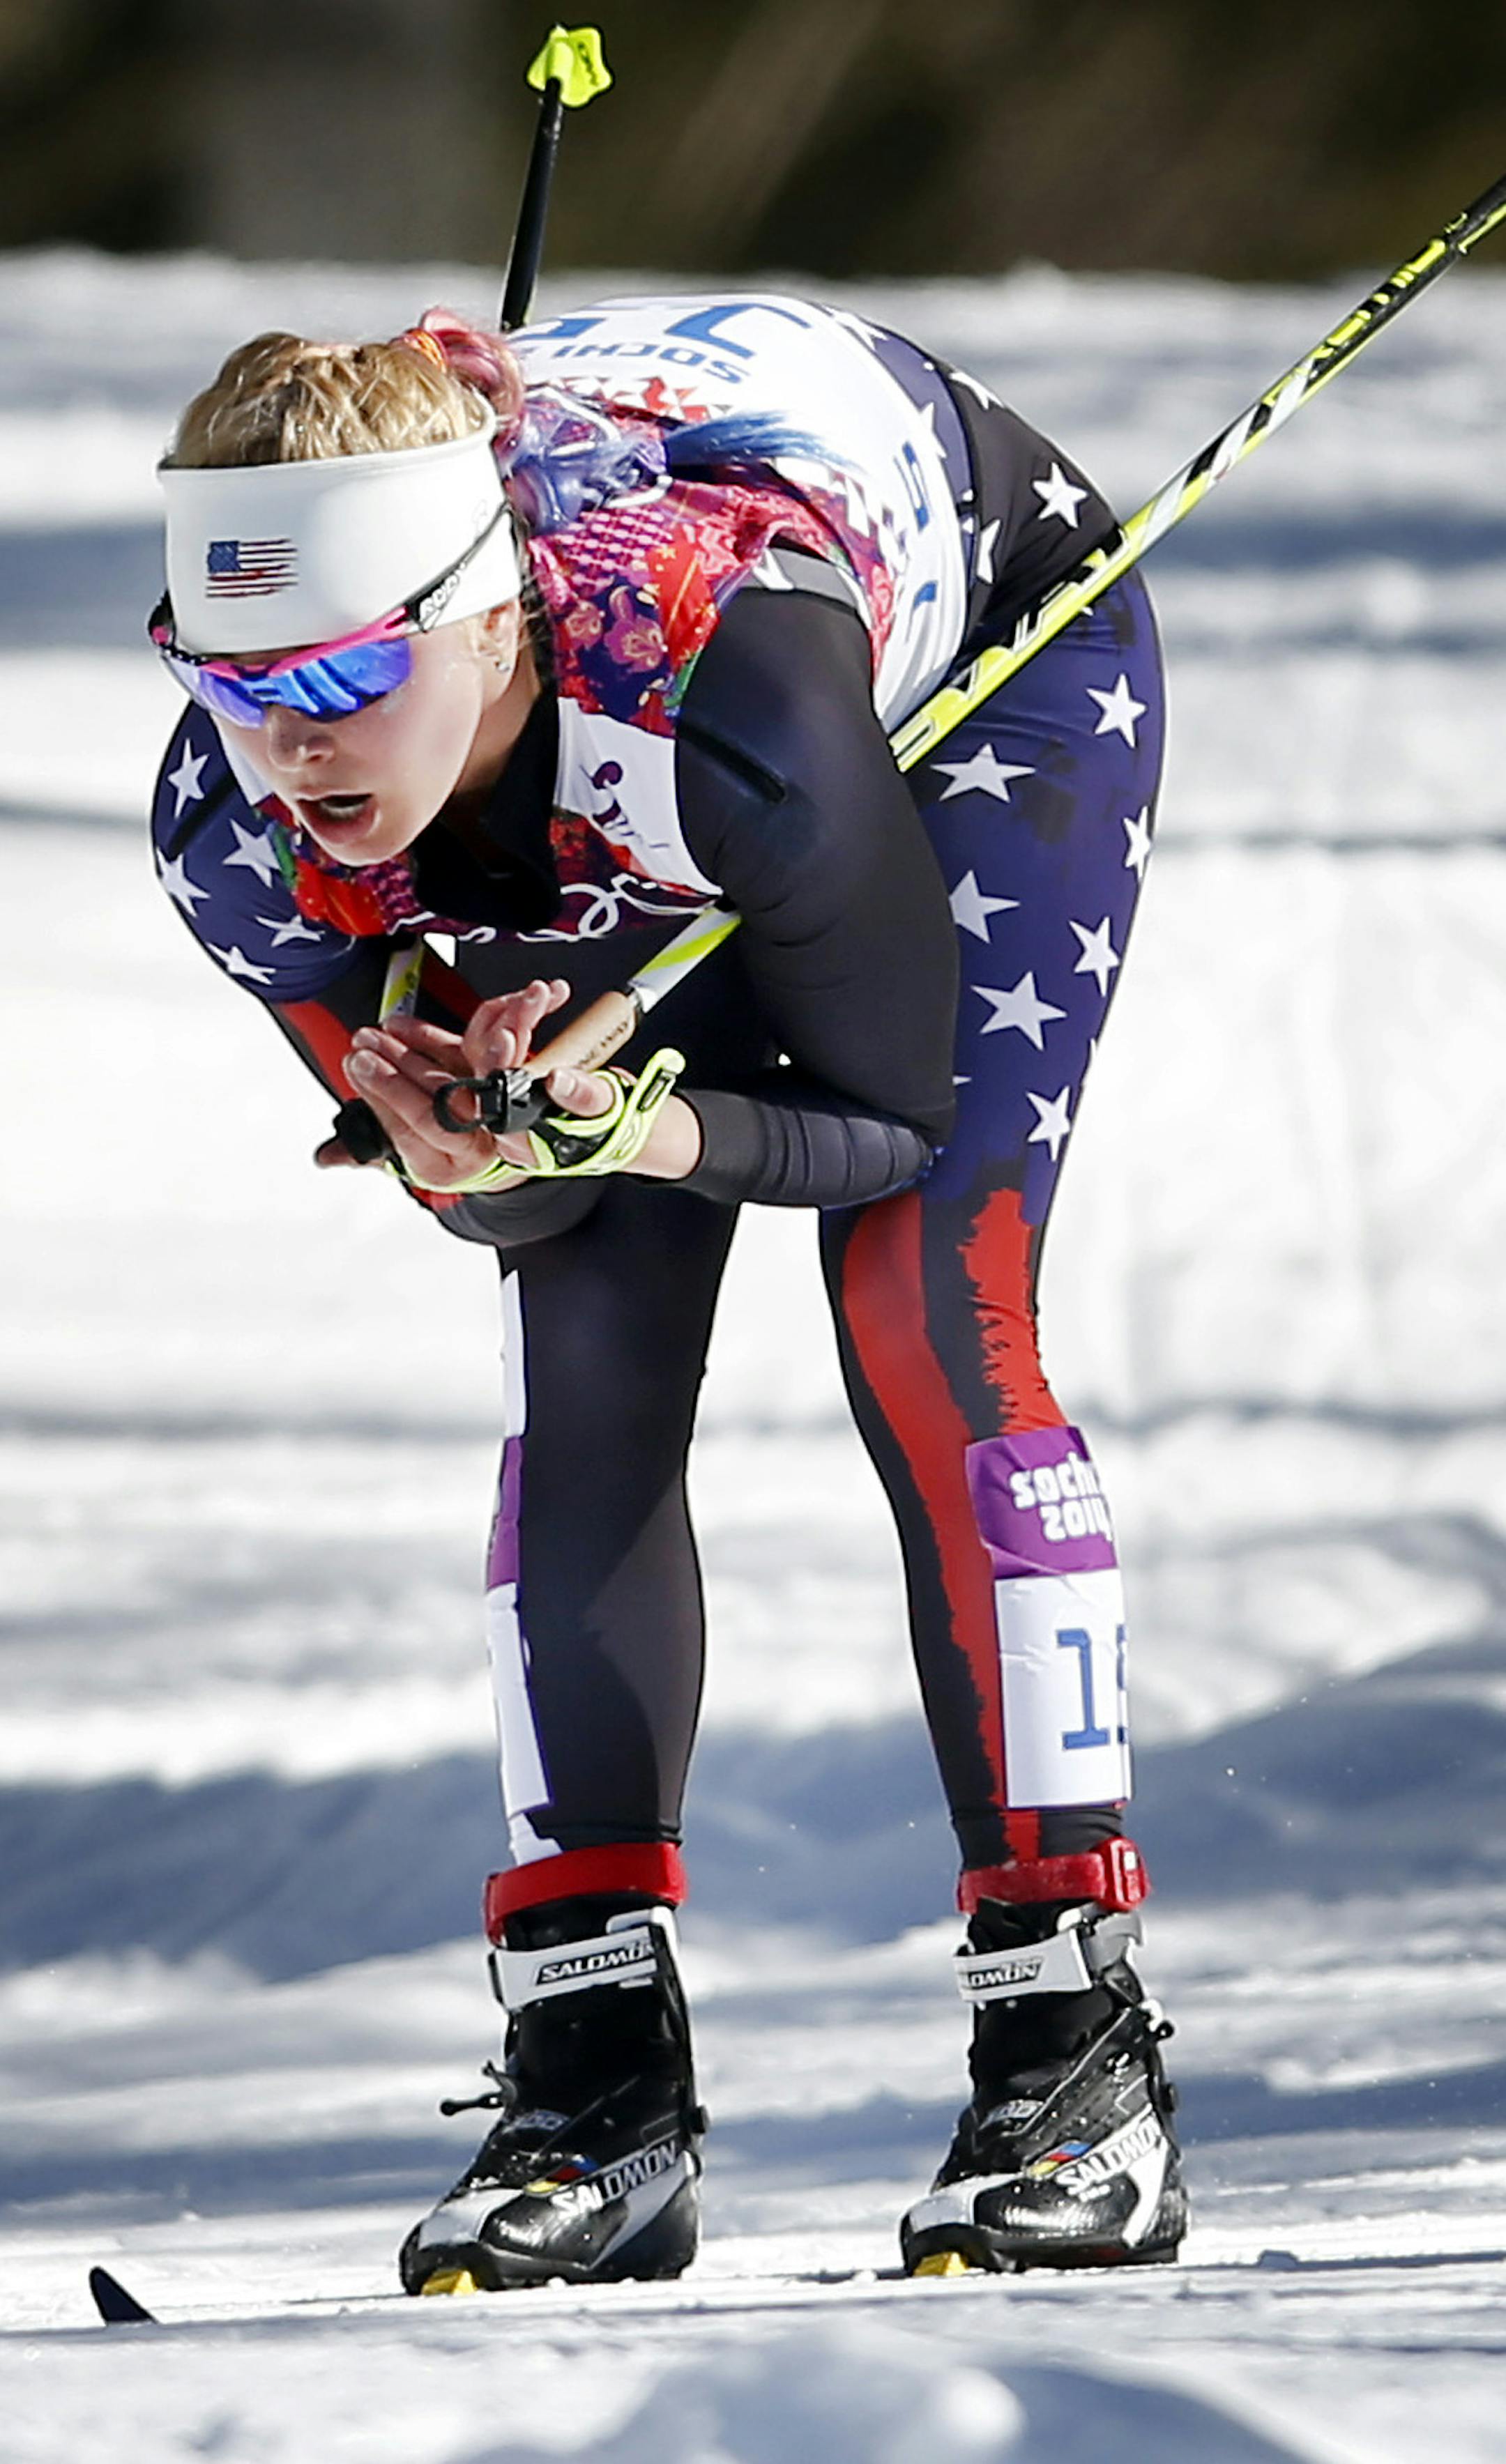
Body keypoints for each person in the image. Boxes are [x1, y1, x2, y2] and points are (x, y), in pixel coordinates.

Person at [149, 289, 1185, 2291]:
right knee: (589, 1341)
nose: (291, 740)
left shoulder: (737, 708)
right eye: (232, 678)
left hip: (972, 648)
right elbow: (517, 1218)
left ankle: (1075, 2056)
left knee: (928, 1307)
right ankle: (594, 2081)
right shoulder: (239, 831)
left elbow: (882, 1116)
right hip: (593, 753)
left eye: (346, 669)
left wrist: (657, 1123)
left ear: (478, 616)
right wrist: (485, 1149)